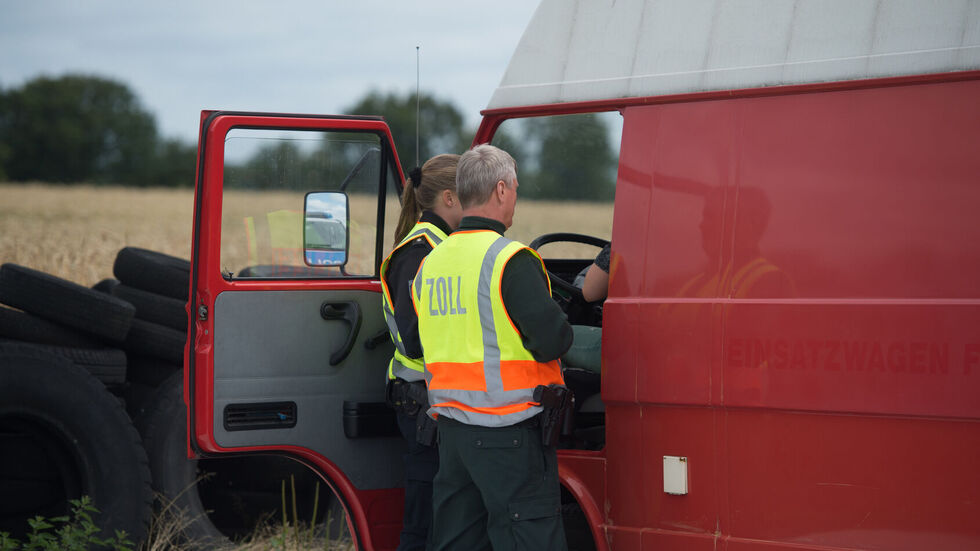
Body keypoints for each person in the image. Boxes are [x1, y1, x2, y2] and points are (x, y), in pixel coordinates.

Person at [412, 144, 573, 551]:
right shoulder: (510, 259)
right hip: (509, 437)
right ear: (501, 190)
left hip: (452, 435)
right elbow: (553, 339)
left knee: (458, 542)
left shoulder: (430, 262)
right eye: (515, 188)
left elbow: (420, 339)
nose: (515, 197)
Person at [380, 153, 462, 551]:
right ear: (448, 198)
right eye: (471, 194)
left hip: (436, 401)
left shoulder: (443, 245)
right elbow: (415, 339)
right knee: (423, 522)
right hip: (421, 405)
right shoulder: (418, 252)